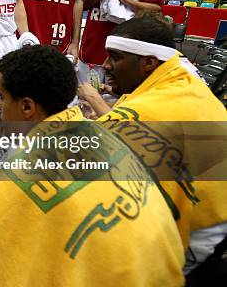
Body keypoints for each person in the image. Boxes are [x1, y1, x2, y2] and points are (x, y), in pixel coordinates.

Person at [0, 45, 184, 286]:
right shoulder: (95, 131)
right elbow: (29, 203)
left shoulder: (25, 166)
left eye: (2, 96)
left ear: (27, 106)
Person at [77, 16, 227, 276]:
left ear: (148, 62)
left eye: (115, 57)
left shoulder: (150, 109)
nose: (105, 65)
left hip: (200, 231)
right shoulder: (178, 77)